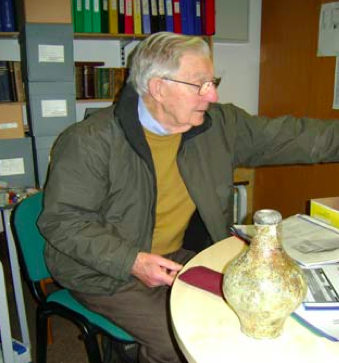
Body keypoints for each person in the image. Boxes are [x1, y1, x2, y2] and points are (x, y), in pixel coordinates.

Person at [37, 31, 339, 363]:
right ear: (158, 87)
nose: (213, 95)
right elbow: (63, 222)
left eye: (213, 81)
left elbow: (295, 138)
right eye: (200, 84)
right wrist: (132, 262)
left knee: (251, 308)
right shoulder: (89, 141)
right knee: (177, 342)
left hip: (175, 254)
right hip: (100, 269)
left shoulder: (217, 125)